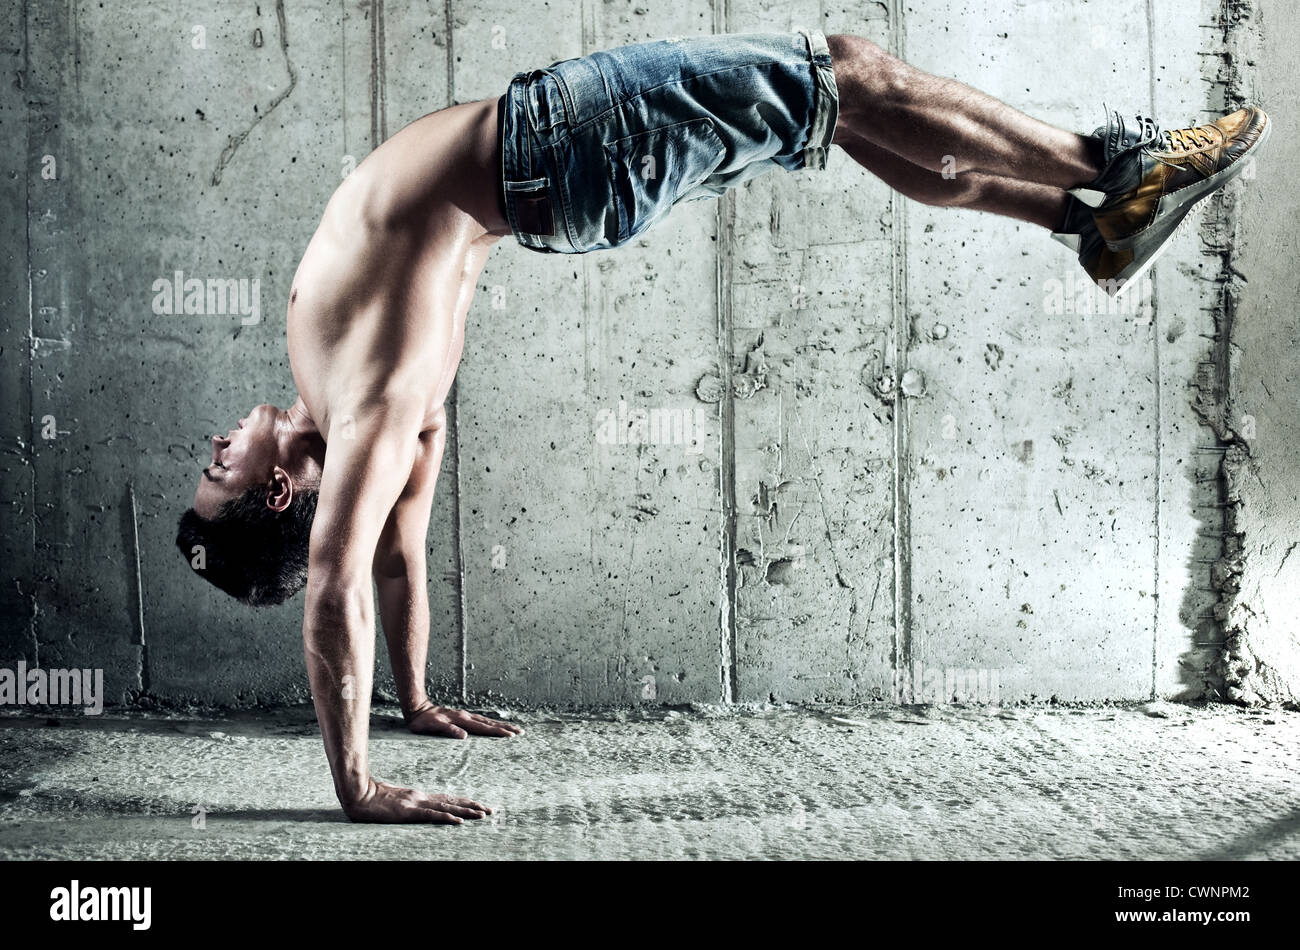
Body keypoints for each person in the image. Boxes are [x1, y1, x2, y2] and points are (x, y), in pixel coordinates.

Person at [176, 29, 1269, 823]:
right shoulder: (371, 408)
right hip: (565, 144)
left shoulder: (369, 419)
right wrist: (355, 783)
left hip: (563, 175)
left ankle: (1076, 225)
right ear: (277, 491)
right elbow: (339, 580)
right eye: (218, 475)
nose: (214, 449)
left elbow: (399, 560)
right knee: (847, 73)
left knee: (844, 116)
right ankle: (1111, 165)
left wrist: (413, 697)